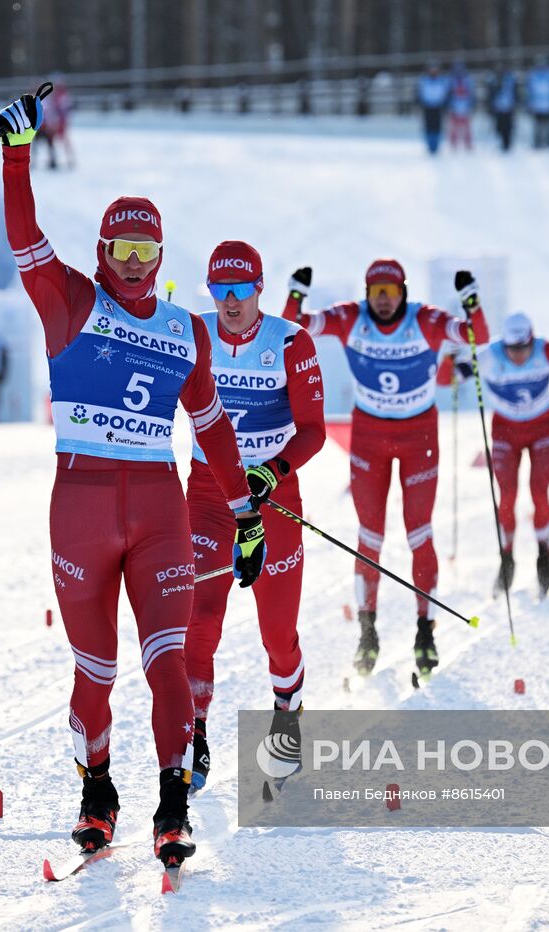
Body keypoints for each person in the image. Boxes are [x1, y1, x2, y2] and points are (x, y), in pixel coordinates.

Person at [0, 91, 265, 868]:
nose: (134, 265)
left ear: (163, 257)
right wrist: (19, 153)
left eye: (147, 253)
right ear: (103, 251)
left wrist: (245, 511)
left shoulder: (185, 330)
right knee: (95, 668)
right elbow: (24, 236)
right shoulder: (70, 299)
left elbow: (212, 426)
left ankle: (173, 807)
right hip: (80, 502)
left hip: (157, 507)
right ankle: (98, 790)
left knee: (168, 660)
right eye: (122, 250)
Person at [284, 261, 488, 678]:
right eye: (376, 290)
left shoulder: (426, 319)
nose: (382, 299)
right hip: (369, 438)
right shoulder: (350, 317)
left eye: (390, 291)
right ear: (366, 292)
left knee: (419, 531)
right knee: (369, 535)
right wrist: (295, 293)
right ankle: (367, 632)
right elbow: (293, 328)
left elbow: (476, 336)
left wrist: (472, 301)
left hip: (419, 437)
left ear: (404, 293)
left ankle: (424, 632)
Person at [185, 241, 326, 794]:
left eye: (242, 289)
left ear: (260, 288)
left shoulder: (291, 341)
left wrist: (274, 468)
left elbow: (312, 428)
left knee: (278, 632)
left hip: (276, 494)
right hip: (207, 492)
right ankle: (194, 735)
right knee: (200, 618)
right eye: (221, 290)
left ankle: (286, 716)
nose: (231, 301)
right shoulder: (194, 333)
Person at [461, 312, 549, 597]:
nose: (518, 355)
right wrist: (451, 357)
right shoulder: (489, 355)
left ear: (531, 340)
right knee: (508, 495)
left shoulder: (543, 349)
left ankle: (544, 559)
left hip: (543, 429)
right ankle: (507, 558)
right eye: (512, 350)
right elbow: (446, 380)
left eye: (523, 348)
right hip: (505, 432)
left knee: (539, 492)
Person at [35, 74, 76, 171]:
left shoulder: (62, 96)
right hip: (53, 123)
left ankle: (67, 160)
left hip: (58, 123)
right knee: (53, 142)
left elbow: (63, 111)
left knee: (62, 141)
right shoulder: (54, 97)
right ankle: (55, 161)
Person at [416, 61, 451, 155]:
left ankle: (436, 146)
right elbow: (418, 93)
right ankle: (430, 145)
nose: (433, 71)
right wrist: (419, 103)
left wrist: (445, 104)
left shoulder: (443, 80)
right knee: (428, 127)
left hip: (438, 107)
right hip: (427, 107)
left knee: (437, 127)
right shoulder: (423, 80)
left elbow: (447, 93)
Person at [525, 57, 549, 150]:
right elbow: (529, 91)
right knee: (538, 125)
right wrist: (528, 103)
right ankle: (538, 142)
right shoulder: (533, 75)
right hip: (537, 105)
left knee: (548, 125)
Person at [447, 62, 476, 151]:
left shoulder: (468, 80)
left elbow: (471, 93)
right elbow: (449, 94)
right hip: (455, 107)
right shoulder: (451, 80)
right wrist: (450, 105)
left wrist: (471, 103)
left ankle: (468, 144)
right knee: (454, 127)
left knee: (466, 127)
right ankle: (454, 144)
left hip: (465, 107)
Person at [490, 67, 519, 152]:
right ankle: (501, 143)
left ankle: (508, 144)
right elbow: (491, 94)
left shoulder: (510, 80)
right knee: (499, 127)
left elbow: (515, 92)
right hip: (499, 108)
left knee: (508, 128)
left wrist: (515, 103)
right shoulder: (495, 81)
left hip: (508, 107)